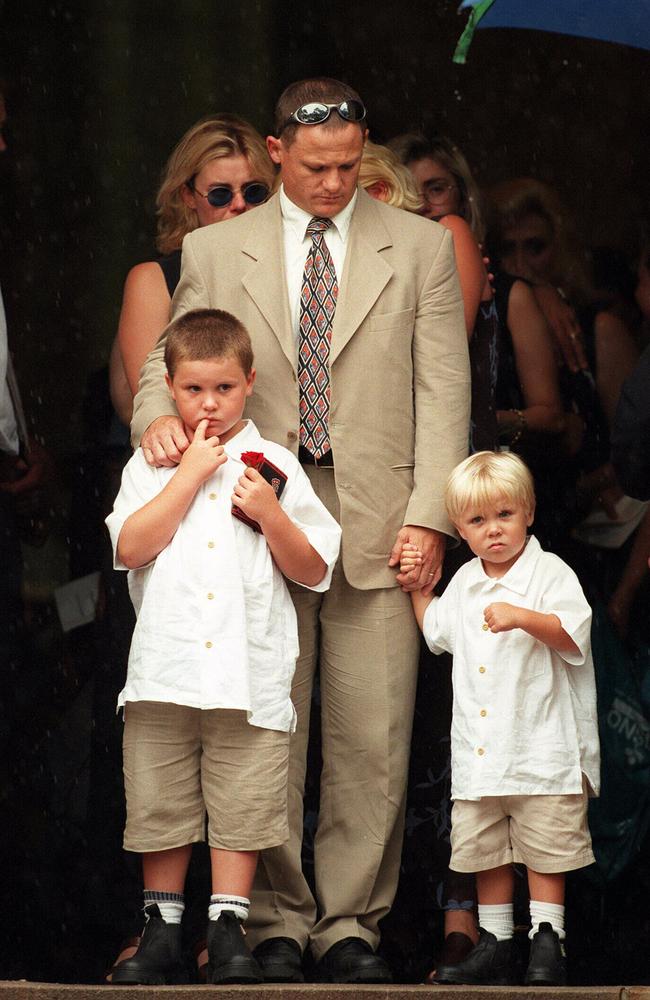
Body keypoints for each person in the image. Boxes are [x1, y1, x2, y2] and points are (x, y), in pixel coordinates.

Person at [130, 77, 470, 984]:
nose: (334, 182)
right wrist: (154, 424)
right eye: (317, 166)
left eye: (351, 166)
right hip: (253, 514)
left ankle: (351, 924)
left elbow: (444, 393)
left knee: (373, 735)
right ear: (277, 151)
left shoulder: (422, 245)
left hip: (377, 510)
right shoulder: (215, 244)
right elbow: (170, 365)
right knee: (263, 733)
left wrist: (432, 518)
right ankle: (272, 922)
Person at [105, 308, 340, 986]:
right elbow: (129, 546)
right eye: (193, 390)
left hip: (246, 669)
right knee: (161, 796)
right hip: (166, 668)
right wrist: (188, 476)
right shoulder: (153, 464)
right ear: (170, 388)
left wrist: (270, 514)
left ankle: (229, 925)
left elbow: (315, 568)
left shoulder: (277, 466)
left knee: (243, 796)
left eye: (225, 390)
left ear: (250, 383)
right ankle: (161, 927)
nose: (209, 404)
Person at [402, 451, 599, 986]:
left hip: (540, 745)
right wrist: (422, 596)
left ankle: (547, 939)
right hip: (483, 749)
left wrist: (522, 617)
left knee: (544, 844)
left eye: (504, 516)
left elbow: (572, 633)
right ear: (461, 530)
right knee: (486, 845)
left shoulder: (549, 572)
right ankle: (496, 940)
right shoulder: (466, 581)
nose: (493, 531)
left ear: (529, 512)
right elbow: (438, 633)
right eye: (477, 521)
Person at [110, 114, 275, 422]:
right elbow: (155, 399)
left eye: (254, 192)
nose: (239, 205)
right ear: (188, 196)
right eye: (220, 194)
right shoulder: (152, 279)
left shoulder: (291, 263)